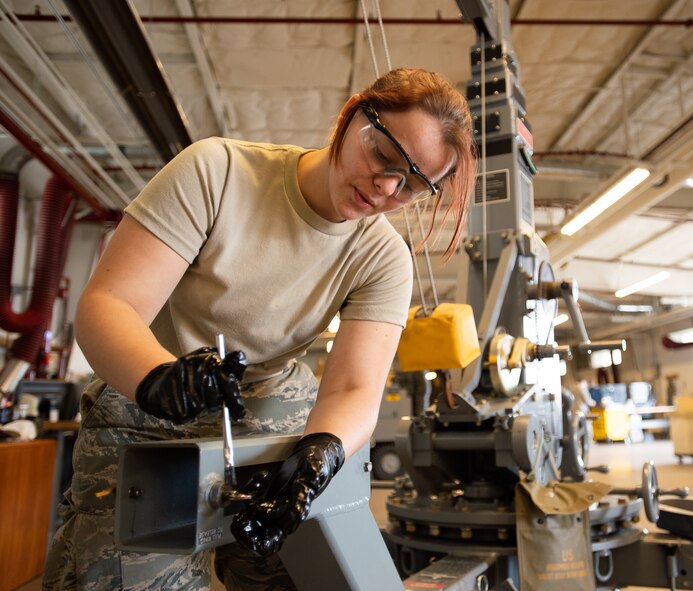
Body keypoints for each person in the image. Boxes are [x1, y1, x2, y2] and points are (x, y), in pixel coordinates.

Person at [43, 67, 476, 590]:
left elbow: (354, 387)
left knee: (316, 569)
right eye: (384, 157)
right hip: (146, 401)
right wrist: (159, 379)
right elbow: (109, 304)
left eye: (411, 185)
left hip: (269, 412)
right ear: (354, 115)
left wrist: (323, 450)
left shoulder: (383, 257)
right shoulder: (218, 172)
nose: (386, 187)